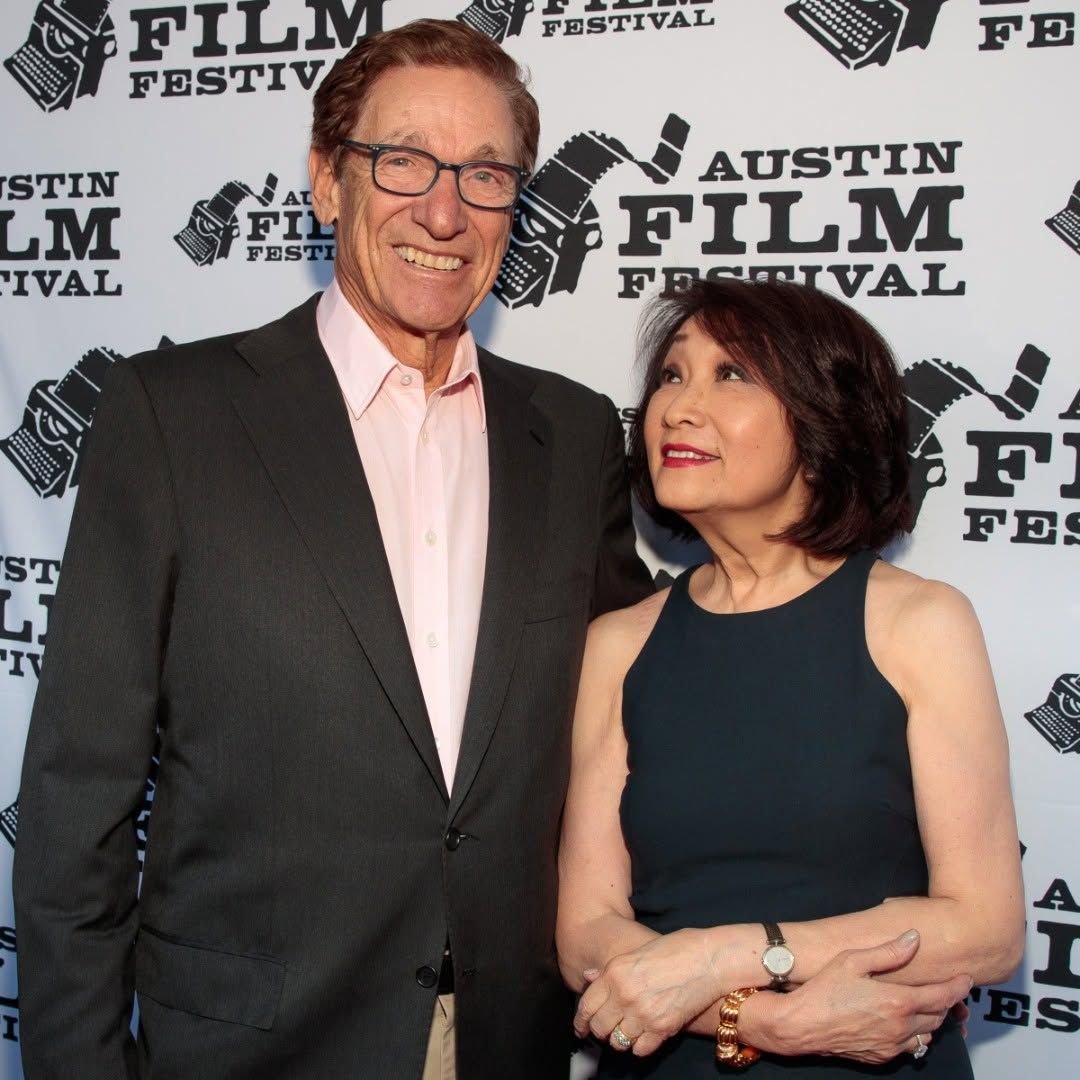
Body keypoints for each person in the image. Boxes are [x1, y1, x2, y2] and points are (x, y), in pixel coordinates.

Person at [13, 20, 653, 1080]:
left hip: (505, 1039)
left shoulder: (576, 434)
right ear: (325, 180)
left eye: (486, 175)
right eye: (403, 161)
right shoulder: (174, 416)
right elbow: (78, 796)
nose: (444, 211)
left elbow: (637, 721)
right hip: (250, 1047)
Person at [557, 279, 1025, 1078]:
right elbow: (585, 936)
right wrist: (761, 1019)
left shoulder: (919, 623)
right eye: (671, 375)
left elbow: (985, 929)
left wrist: (727, 955)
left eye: (731, 374)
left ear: (822, 417)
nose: (678, 408)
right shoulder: (619, 644)